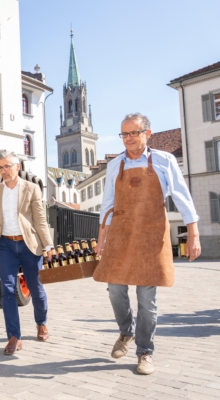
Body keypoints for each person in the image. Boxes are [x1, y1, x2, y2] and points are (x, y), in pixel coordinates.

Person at [93, 113, 201, 375]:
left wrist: (193, 233)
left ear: (147, 133)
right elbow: (108, 203)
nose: (129, 139)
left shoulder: (164, 161)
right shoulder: (115, 164)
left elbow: (182, 197)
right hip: (120, 233)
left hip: (152, 236)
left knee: (146, 299)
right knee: (115, 290)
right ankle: (126, 332)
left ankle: (145, 352)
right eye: (124, 134)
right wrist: (102, 237)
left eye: (134, 133)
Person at [0, 151, 54, 355]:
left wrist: (48, 246)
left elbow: (40, 219)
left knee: (36, 288)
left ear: (18, 166)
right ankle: (14, 336)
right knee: (7, 290)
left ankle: (41, 323)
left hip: (29, 245)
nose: (4, 171)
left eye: (7, 166)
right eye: (0, 168)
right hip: (6, 246)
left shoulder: (31, 189)